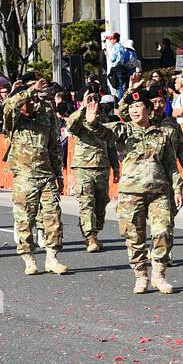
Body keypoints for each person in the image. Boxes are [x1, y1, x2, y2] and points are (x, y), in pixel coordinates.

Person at [80, 89, 183, 294]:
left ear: (148, 109)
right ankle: (141, 276)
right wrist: (91, 119)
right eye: (131, 107)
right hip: (131, 193)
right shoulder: (124, 130)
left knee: (163, 232)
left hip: (159, 191)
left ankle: (159, 275)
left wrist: (177, 188)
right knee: (134, 237)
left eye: (138, 106)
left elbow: (171, 165)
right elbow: (100, 131)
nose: (134, 110)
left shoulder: (162, 133)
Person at [0, 78, 67, 275]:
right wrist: (28, 90)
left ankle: (52, 257)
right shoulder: (13, 119)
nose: (30, 104)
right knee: (25, 220)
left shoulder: (45, 113)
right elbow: (9, 105)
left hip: (46, 175)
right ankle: (29, 258)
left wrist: (59, 175)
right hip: (24, 177)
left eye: (33, 100)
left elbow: (53, 146)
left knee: (53, 217)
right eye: (26, 101)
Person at [64, 92, 119, 253]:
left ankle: (93, 230)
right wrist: (82, 108)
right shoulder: (79, 118)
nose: (93, 102)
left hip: (102, 166)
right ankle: (91, 237)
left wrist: (115, 167)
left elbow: (110, 144)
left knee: (101, 203)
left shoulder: (103, 117)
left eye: (95, 99)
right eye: (90, 98)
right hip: (83, 167)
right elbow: (70, 126)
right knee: (87, 202)